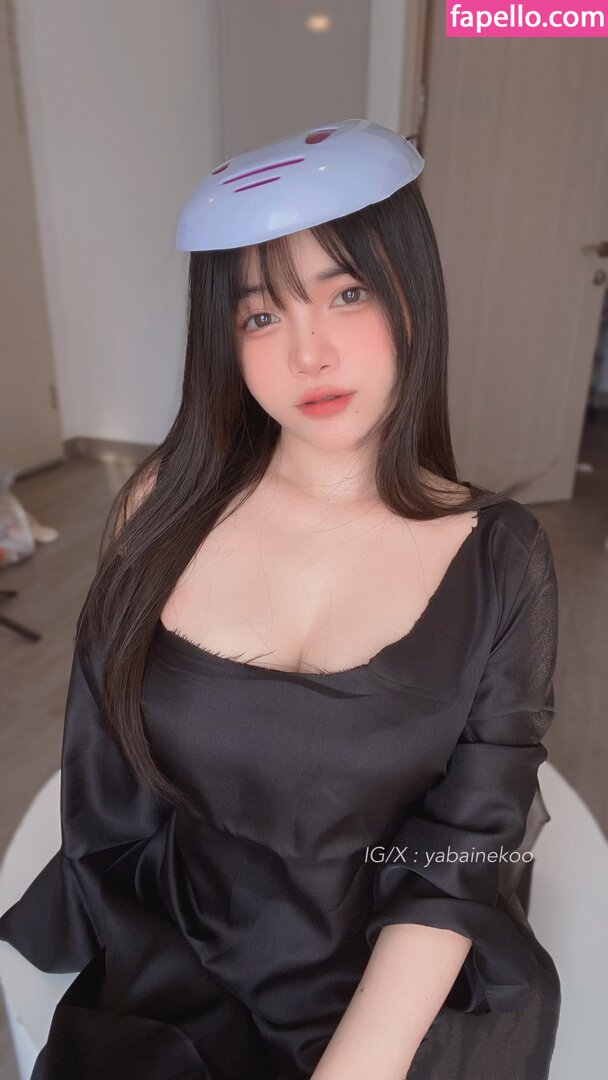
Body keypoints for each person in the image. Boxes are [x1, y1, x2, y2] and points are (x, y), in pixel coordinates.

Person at [0, 120, 560, 1079]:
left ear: (414, 295)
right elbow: (110, 782)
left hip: (403, 964)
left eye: (348, 293)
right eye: (261, 316)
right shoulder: (159, 511)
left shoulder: (499, 557)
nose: (311, 354)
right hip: (181, 948)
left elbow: (464, 850)